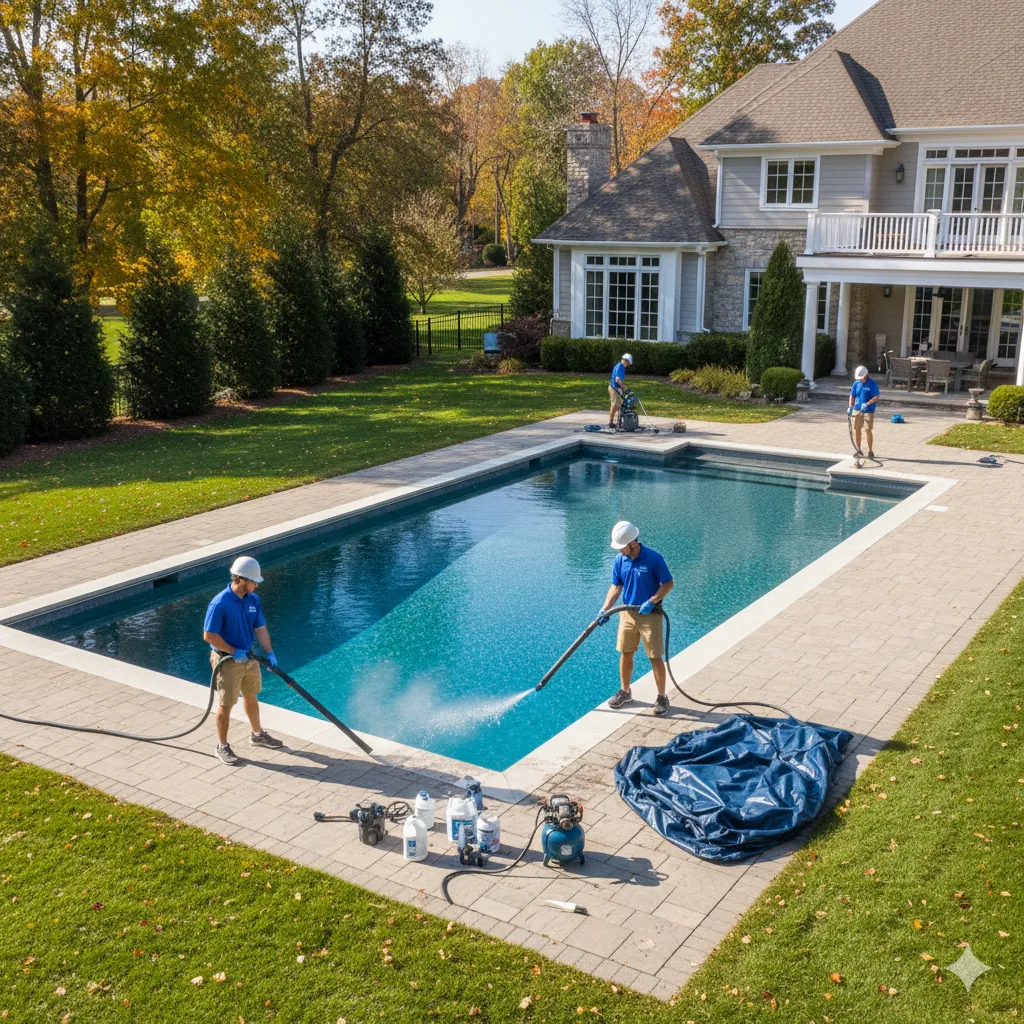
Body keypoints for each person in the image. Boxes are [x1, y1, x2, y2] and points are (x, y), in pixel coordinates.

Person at [202, 555, 284, 765]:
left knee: (251, 695)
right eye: (253, 581)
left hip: (249, 656)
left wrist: (270, 653)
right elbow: (209, 636)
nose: (256, 584)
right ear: (240, 579)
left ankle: (257, 735)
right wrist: (232, 651)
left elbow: (261, 629)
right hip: (226, 660)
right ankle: (222, 746)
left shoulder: (253, 600)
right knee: (226, 704)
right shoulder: (220, 603)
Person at [596, 521, 675, 716]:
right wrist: (605, 609)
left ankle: (662, 696)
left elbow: (668, 584)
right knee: (626, 652)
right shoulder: (619, 560)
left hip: (650, 614)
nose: (619, 550)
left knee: (655, 657)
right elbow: (616, 587)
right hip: (627, 614)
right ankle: (625, 691)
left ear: (633, 543)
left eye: (621, 546)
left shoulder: (654, 559)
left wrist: (653, 600)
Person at [849, 364, 880, 458]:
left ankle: (870, 451)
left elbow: (876, 397)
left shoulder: (872, 384)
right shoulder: (856, 384)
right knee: (856, 429)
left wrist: (867, 403)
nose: (860, 380)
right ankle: (858, 450)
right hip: (857, 409)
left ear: (866, 375)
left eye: (861, 378)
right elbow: (852, 395)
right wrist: (850, 406)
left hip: (868, 410)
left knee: (868, 430)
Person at [608, 353, 633, 427]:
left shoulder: (621, 367)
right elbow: (617, 379)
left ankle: (620, 422)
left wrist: (623, 389)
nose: (628, 365)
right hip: (614, 388)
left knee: (623, 405)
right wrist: (625, 388)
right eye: (628, 363)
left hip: (618, 388)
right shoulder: (620, 367)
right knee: (615, 404)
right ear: (626, 360)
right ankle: (611, 422)